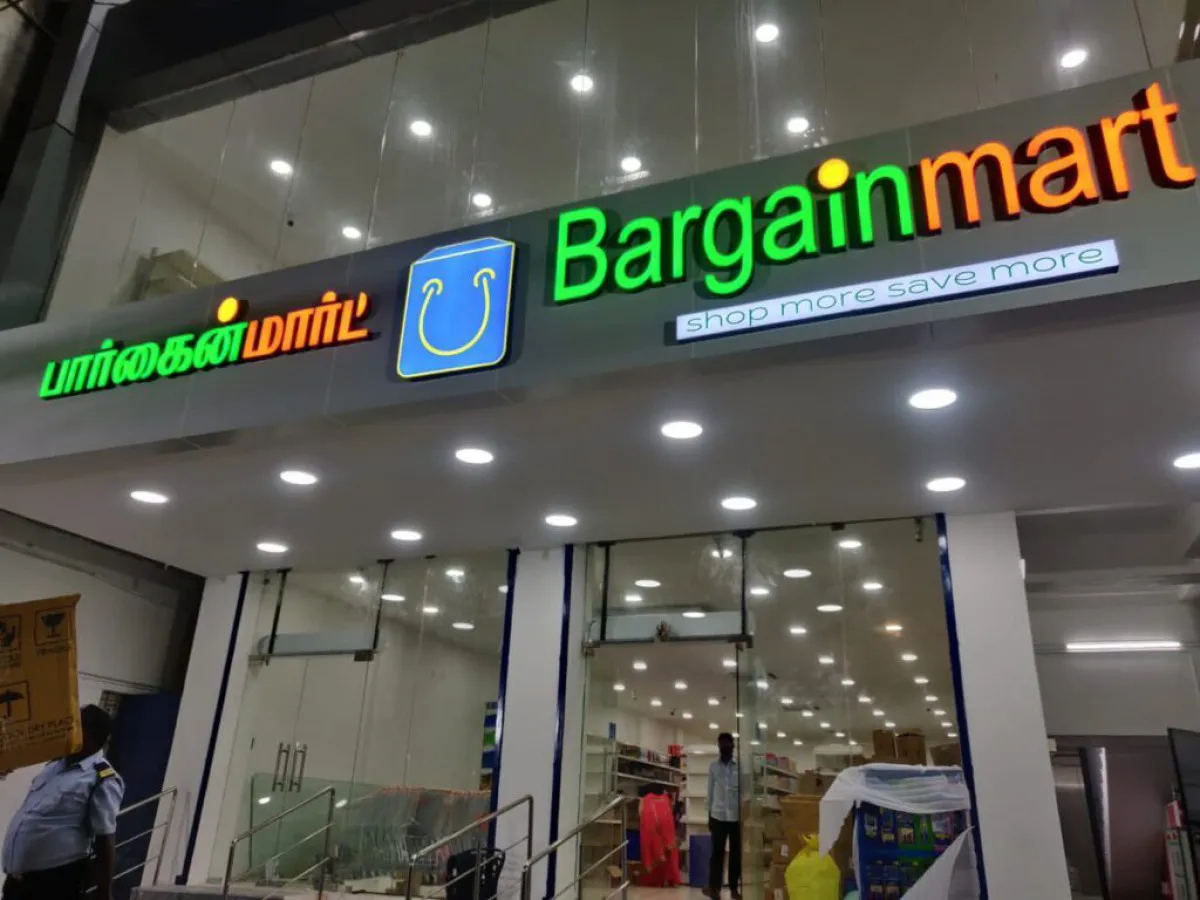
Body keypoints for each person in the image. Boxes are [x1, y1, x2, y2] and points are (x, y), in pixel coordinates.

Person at [1, 705, 124, 900]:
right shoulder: (54, 765)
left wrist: (104, 894)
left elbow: (104, 839)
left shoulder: (101, 779)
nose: (66, 731)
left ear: (90, 735)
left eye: (74, 726)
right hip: (17, 882)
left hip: (55, 884)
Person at [706, 732, 740, 900]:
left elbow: (744, 792)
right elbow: (710, 792)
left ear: (733, 746)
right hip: (718, 816)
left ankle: (734, 888)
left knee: (735, 855)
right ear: (719, 747)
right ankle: (714, 888)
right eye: (722, 745)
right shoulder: (713, 767)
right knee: (717, 854)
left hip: (736, 818)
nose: (725, 748)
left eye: (728, 744)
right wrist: (709, 816)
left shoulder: (739, 767)